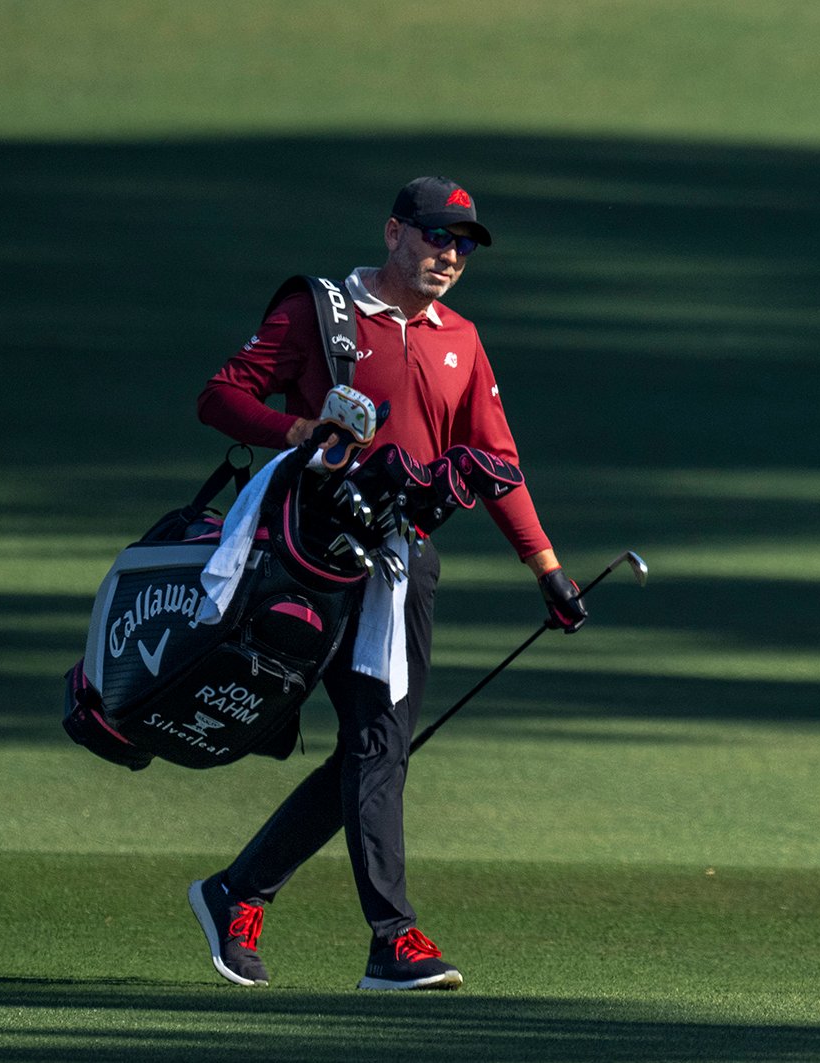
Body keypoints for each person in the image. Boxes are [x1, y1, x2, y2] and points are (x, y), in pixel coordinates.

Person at [185, 176, 588, 991]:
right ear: (393, 232)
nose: (451, 254)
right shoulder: (323, 312)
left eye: (465, 244)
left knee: (376, 744)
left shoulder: (462, 340)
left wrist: (545, 567)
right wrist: (301, 430)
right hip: (308, 554)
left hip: (402, 565)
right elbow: (221, 396)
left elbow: (498, 466)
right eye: (438, 236)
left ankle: (246, 894)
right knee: (375, 745)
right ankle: (386, 936)